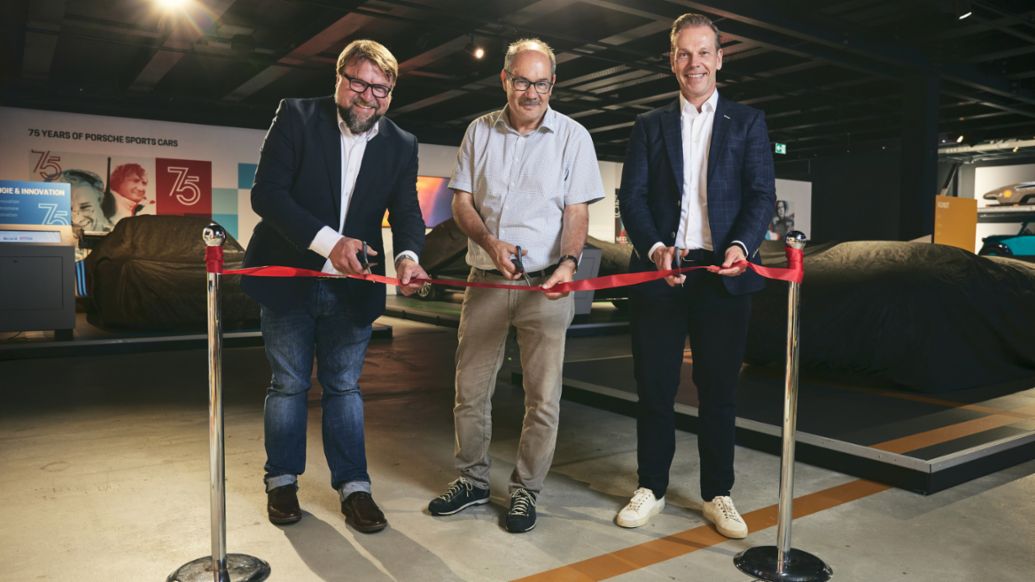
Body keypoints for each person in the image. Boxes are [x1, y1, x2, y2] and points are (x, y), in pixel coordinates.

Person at [241, 39, 428, 534]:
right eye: (360, 84)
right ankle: (281, 481)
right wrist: (329, 244)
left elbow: (406, 211)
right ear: (340, 77)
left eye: (382, 90)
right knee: (288, 386)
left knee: (345, 388)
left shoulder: (401, 143)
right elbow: (268, 194)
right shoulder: (297, 117)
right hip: (288, 281)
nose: (369, 98)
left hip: (353, 289)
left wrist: (410, 257)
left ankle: (354, 488)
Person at [426, 38, 603, 533]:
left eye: (541, 83)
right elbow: (461, 201)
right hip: (485, 278)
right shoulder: (479, 132)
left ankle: (525, 490)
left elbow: (577, 209)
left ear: (553, 85)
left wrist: (569, 262)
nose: (531, 93)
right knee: (469, 390)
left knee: (542, 397)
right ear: (504, 79)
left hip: (548, 286)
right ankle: (473, 480)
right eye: (522, 81)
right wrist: (488, 239)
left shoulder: (573, 137)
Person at [615, 13, 776, 539]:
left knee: (719, 390)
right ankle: (651, 488)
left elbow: (760, 197)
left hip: (723, 273)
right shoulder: (648, 126)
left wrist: (739, 246)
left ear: (719, 58)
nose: (694, 63)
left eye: (703, 52)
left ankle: (718, 493)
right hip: (663, 272)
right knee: (655, 385)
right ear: (671, 61)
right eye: (684, 53)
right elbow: (632, 198)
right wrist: (657, 248)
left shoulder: (748, 123)